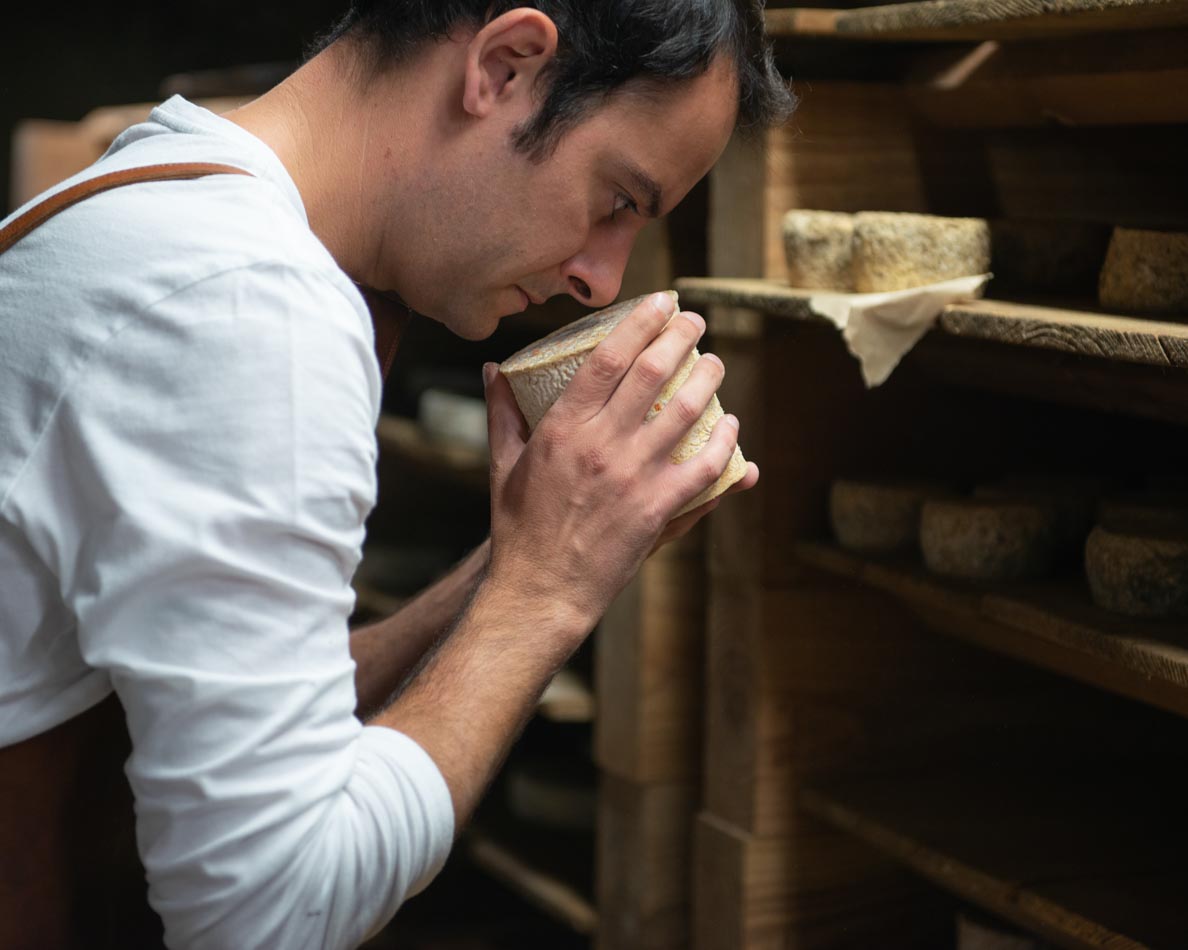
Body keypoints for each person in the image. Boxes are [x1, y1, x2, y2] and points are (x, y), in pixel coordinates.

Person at [0, 1, 793, 947]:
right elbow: (272, 910)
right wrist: (545, 598)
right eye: (618, 200)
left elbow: (232, 705)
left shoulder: (160, 197)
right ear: (504, 66)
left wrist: (532, 555)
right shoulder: (248, 306)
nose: (604, 279)